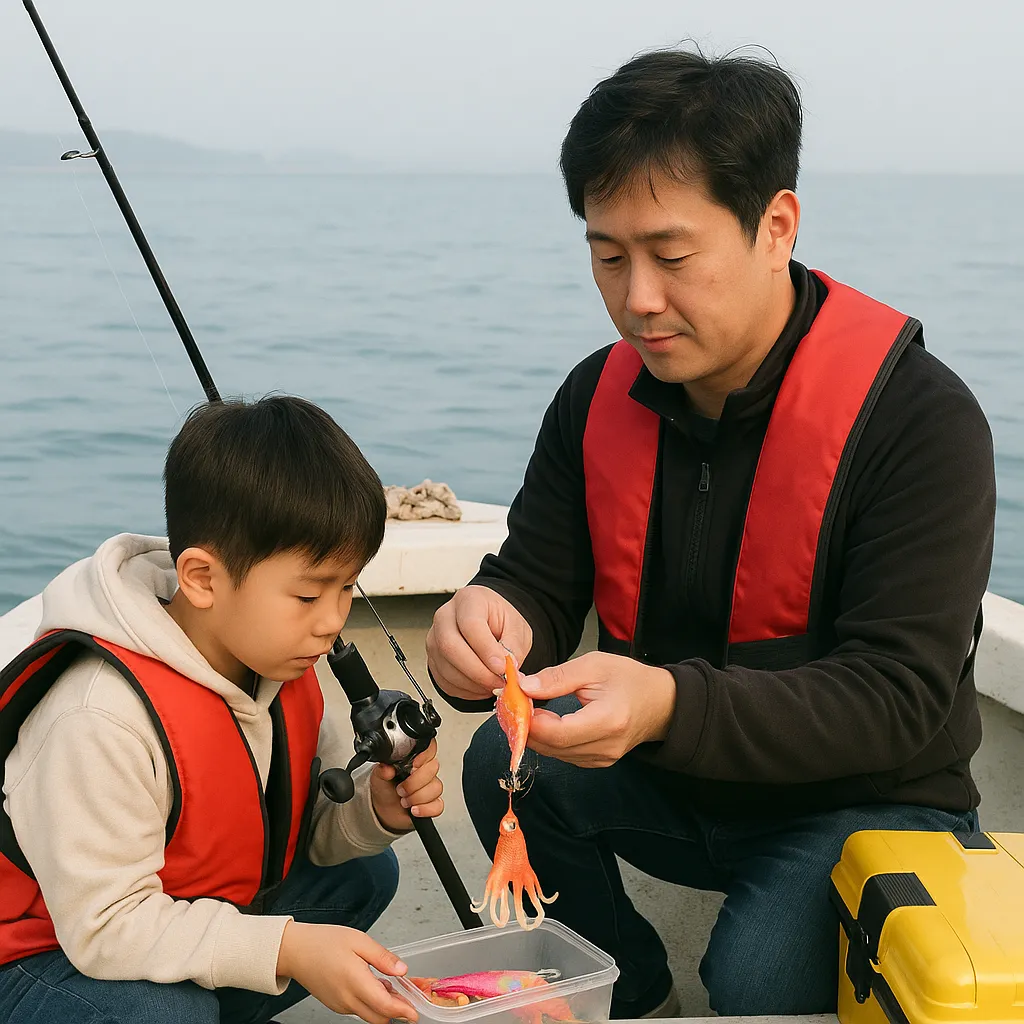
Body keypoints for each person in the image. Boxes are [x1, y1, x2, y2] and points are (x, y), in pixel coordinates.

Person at [425, 47, 996, 1018]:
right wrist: (477, 625)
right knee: (502, 767)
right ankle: (631, 992)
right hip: (676, 778)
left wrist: (661, 706)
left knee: (754, 978)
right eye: (607, 255)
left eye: (671, 255)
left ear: (775, 226)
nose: (636, 296)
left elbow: (897, 697)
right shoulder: (592, 397)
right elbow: (533, 580)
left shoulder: (919, 419)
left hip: (864, 801)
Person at [0, 396, 443, 1024]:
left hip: (176, 910)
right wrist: (286, 948)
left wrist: (375, 809)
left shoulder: (281, 660)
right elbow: (106, 927)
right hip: (40, 955)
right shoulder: (98, 715)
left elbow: (300, 833)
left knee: (366, 876)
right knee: (161, 1014)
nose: (333, 621)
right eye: (309, 594)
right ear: (203, 579)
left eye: (348, 588)